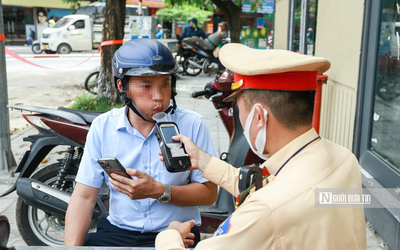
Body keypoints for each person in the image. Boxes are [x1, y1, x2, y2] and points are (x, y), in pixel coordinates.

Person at [155, 44, 367, 249]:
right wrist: (203, 161)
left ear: (258, 116)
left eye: (240, 110)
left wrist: (170, 235)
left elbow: (274, 201)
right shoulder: (344, 159)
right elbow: (275, 186)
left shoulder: (265, 211)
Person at [64, 39, 217, 248]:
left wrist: (159, 190)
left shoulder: (192, 124)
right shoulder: (102, 128)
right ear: (122, 86)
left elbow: (209, 193)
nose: (159, 97)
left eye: (165, 83)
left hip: (177, 233)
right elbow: (83, 197)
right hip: (118, 232)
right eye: (146, 85)